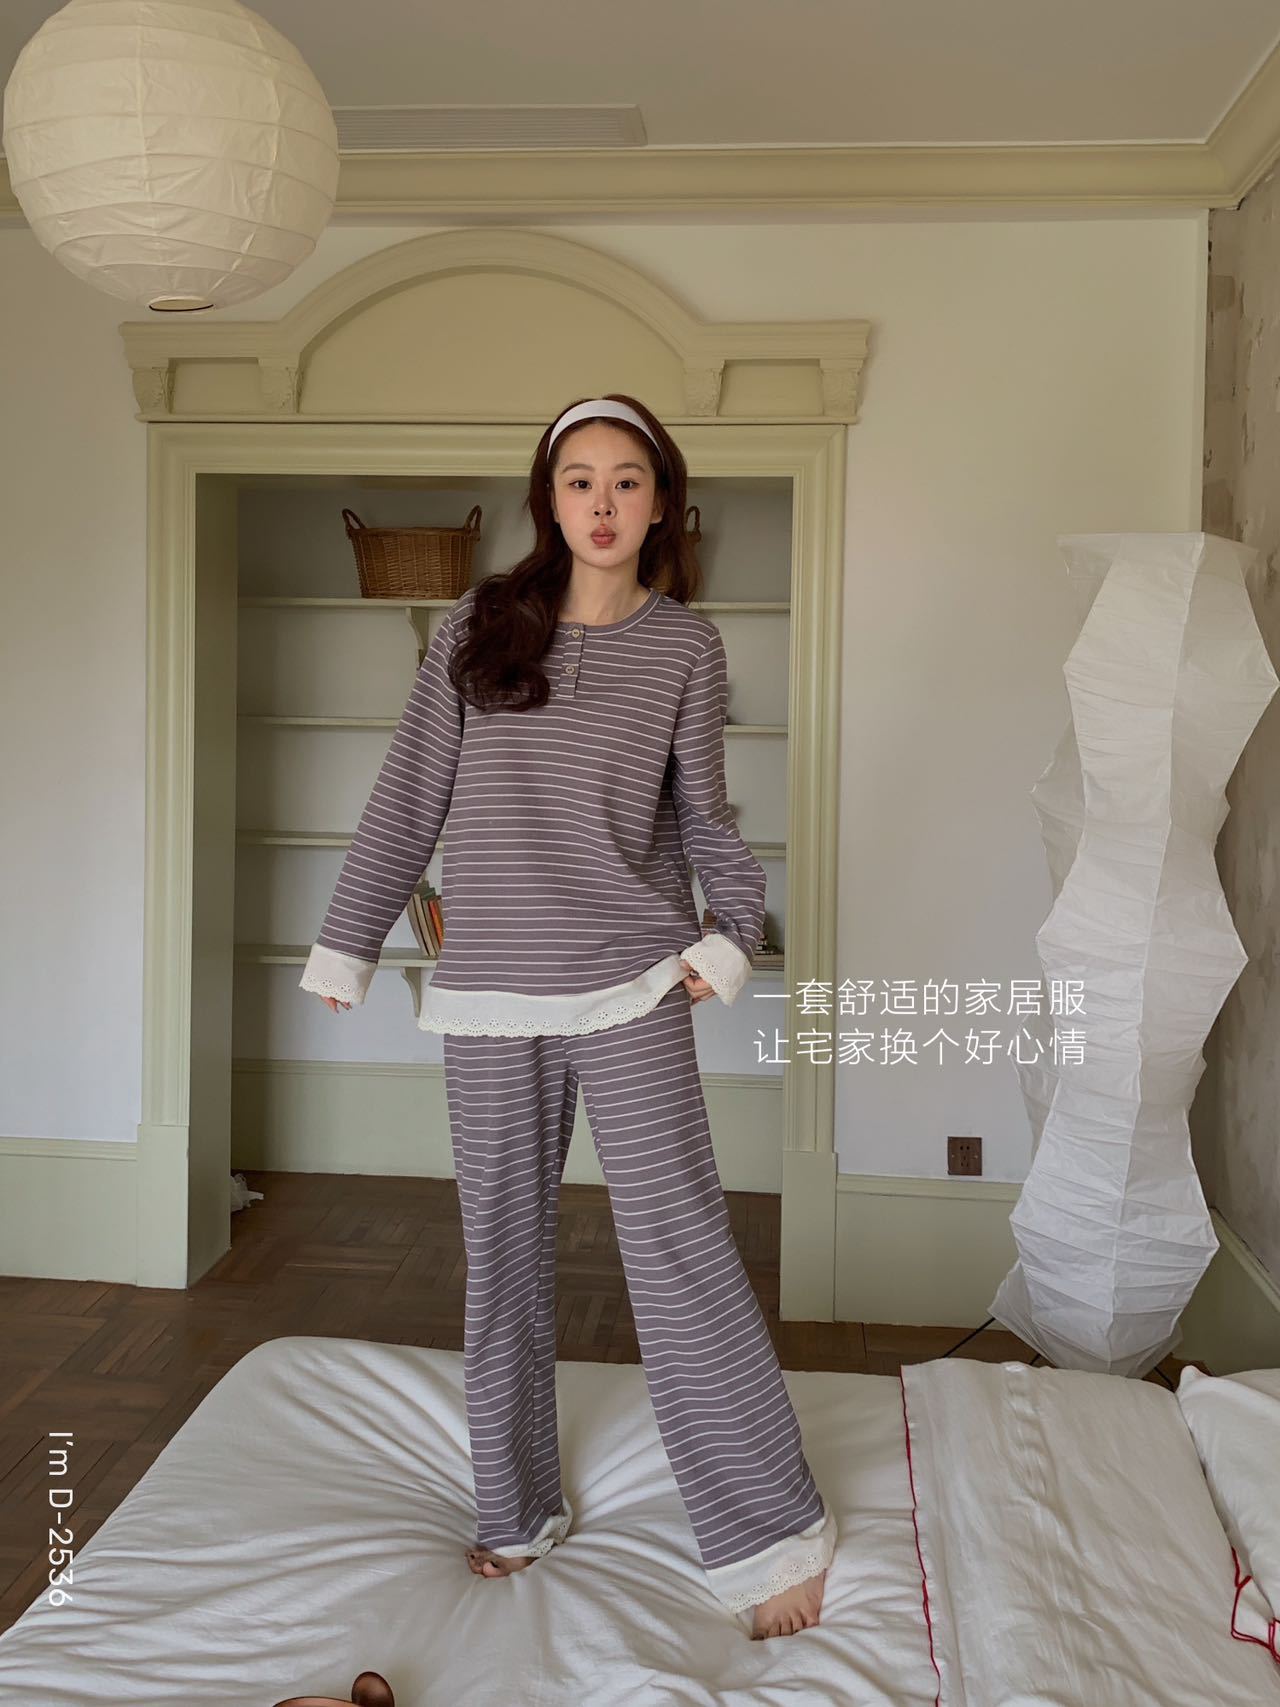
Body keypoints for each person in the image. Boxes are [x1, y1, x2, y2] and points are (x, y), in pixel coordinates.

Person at [299, 394, 836, 1639]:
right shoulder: (477, 625)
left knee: (678, 1242)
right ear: (547, 499)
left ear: (661, 502)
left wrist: (730, 930)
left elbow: (703, 814)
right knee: (501, 1252)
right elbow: (408, 793)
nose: (602, 502)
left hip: (630, 979)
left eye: (626, 480)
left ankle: (767, 1533)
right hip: (489, 989)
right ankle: (515, 1506)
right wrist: (349, 937)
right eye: (578, 479)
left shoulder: (686, 647)